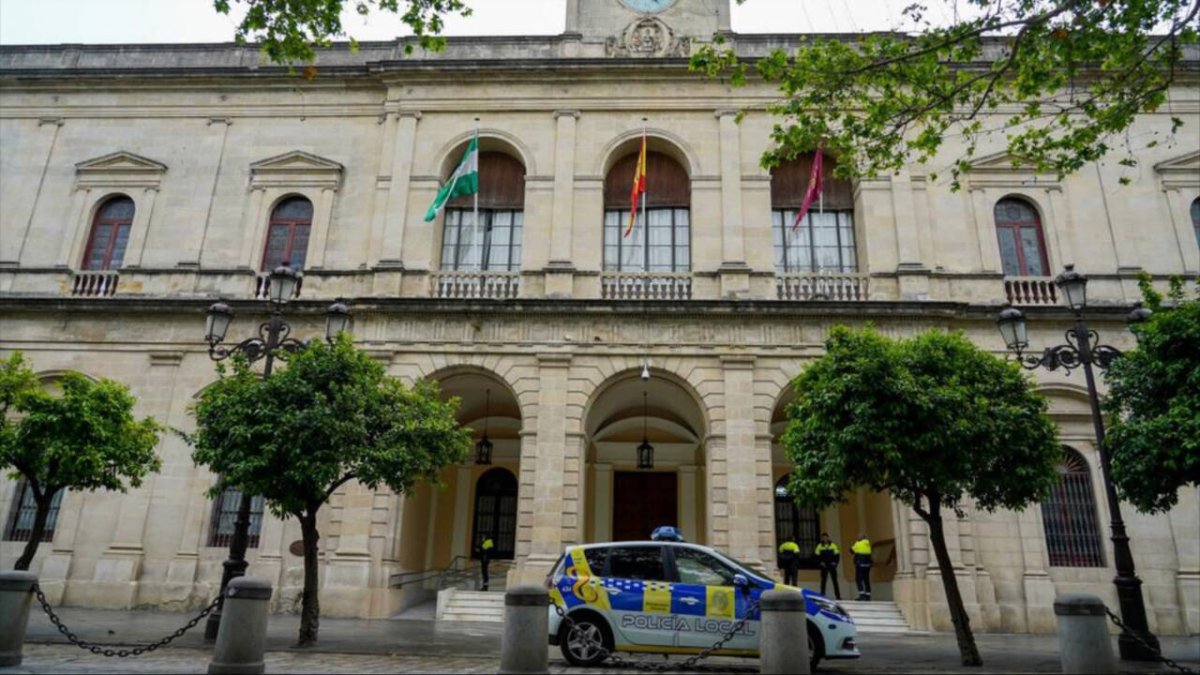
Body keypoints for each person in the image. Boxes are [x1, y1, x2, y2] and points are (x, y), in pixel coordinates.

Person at [814, 532, 842, 600]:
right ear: (822, 538)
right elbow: (816, 556)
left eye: (826, 537)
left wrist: (835, 562)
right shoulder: (819, 546)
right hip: (824, 566)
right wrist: (820, 562)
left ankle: (838, 596)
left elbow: (837, 555)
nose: (825, 539)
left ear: (828, 538)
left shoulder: (833, 545)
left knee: (835, 581)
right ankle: (822, 595)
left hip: (831, 565)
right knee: (823, 581)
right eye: (823, 537)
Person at [852, 533, 873, 601]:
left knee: (858, 580)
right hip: (867, 565)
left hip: (860, 564)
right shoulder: (868, 544)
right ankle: (868, 596)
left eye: (858, 536)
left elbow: (851, 550)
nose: (857, 537)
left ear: (861, 537)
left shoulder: (858, 543)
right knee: (866, 580)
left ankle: (862, 595)